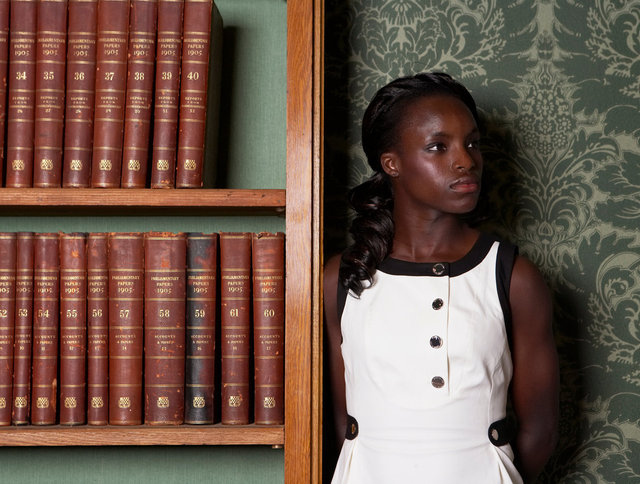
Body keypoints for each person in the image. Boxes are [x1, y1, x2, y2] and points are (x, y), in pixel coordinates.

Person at [324, 72, 559, 483]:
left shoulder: (512, 276)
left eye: (472, 143)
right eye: (438, 146)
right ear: (391, 163)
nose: (465, 160)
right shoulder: (342, 278)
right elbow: (341, 422)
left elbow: (541, 431)